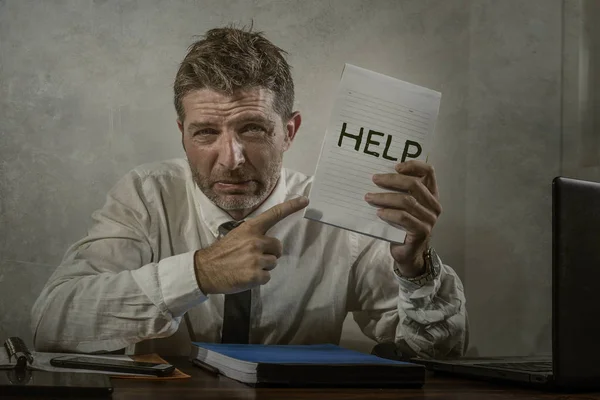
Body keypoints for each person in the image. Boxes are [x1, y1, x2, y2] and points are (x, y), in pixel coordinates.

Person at [31, 26, 467, 358]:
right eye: (206, 133)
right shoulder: (146, 196)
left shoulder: (343, 211)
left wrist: (415, 271)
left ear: (289, 132)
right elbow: (51, 322)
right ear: (182, 134)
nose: (232, 158)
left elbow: (438, 355)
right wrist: (198, 274)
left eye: (253, 129)